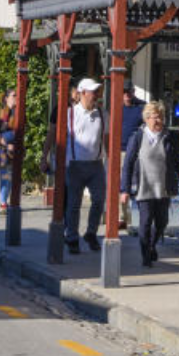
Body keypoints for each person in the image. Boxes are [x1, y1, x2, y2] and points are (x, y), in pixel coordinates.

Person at [122, 100, 172, 266]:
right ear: (147, 118)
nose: (158, 121)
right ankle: (145, 255)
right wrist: (125, 189)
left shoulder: (168, 137)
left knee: (162, 222)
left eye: (161, 117)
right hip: (143, 186)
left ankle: (152, 245)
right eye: (155, 117)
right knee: (145, 222)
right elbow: (128, 164)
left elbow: (178, 162)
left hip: (163, 187)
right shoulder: (137, 137)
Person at [64, 77, 108, 255]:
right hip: (75, 164)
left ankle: (91, 233)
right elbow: (60, 138)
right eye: (92, 92)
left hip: (96, 165)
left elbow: (107, 139)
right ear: (82, 93)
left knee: (99, 200)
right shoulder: (70, 113)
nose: (96, 95)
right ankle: (72, 237)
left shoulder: (102, 114)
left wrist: (110, 162)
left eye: (97, 91)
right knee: (74, 204)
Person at [0, 88, 18, 211]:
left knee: (11, 177)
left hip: (15, 148)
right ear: (6, 98)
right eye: (13, 95)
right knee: (5, 176)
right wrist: (6, 144)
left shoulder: (18, 113)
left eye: (16, 95)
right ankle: (3, 203)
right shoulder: (0, 113)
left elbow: (21, 131)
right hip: (3, 149)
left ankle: (6, 201)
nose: (16, 97)